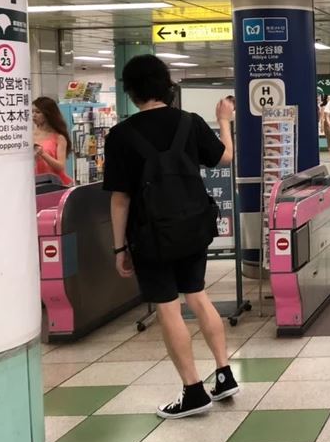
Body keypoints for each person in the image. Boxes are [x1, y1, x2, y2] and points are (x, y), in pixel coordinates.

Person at [103, 54, 238, 419]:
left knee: (168, 308)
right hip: (194, 226)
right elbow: (225, 157)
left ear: (130, 91)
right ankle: (224, 373)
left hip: (151, 235)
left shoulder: (121, 136)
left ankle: (193, 391)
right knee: (198, 295)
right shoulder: (190, 123)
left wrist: (119, 248)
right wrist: (224, 121)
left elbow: (120, 199)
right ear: (167, 86)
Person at [32, 96, 73, 186]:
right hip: (34, 183)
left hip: (54, 184)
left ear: (48, 114)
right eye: (32, 112)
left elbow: (60, 167)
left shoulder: (59, 138)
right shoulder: (29, 136)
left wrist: (43, 154)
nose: (34, 115)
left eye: (38, 112)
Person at [320, 94, 330, 159]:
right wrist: (322, 126)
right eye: (328, 98)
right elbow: (322, 117)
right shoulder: (324, 107)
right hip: (326, 125)